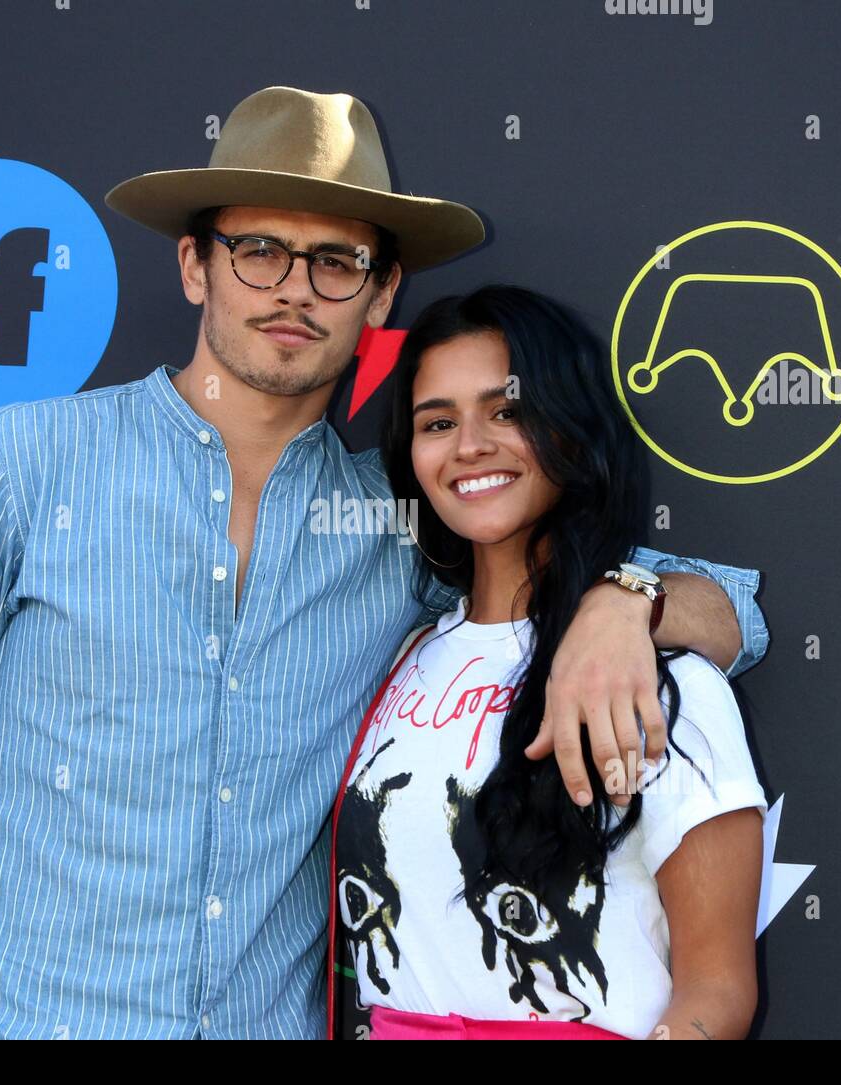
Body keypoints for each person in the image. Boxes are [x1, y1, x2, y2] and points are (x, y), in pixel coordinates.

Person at [0, 86, 768, 1039]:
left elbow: (734, 612)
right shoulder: (14, 465)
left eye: (336, 260)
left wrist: (621, 600)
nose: (295, 288)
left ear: (381, 293)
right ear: (193, 266)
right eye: (258, 250)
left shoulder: (404, 526)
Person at [328, 285, 766, 1040]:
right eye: (439, 422)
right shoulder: (400, 660)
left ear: (570, 428)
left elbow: (717, 994)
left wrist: (627, 601)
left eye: (507, 411)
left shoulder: (666, 680)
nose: (470, 445)